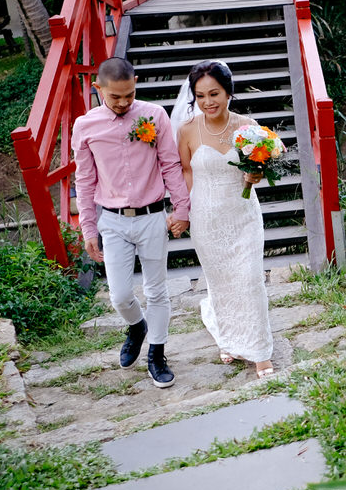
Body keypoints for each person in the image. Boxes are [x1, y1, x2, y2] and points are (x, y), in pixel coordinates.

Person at [72, 56, 189, 388]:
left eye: (129, 95)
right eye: (115, 97)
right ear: (98, 89)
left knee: (157, 291)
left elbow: (170, 165)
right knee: (120, 294)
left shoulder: (154, 115)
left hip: (153, 217)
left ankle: (157, 353)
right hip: (112, 221)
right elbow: (84, 180)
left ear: (135, 83)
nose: (123, 103)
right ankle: (137, 326)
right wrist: (89, 227)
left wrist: (181, 209)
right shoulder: (85, 126)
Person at [173, 59, 276, 378]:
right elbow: (187, 171)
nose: (208, 102)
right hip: (207, 218)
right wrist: (186, 214)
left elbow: (259, 163)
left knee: (249, 278)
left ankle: (260, 351)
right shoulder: (188, 130)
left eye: (214, 93)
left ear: (228, 91)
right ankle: (229, 337)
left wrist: (256, 175)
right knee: (220, 283)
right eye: (200, 96)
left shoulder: (248, 127)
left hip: (242, 213)